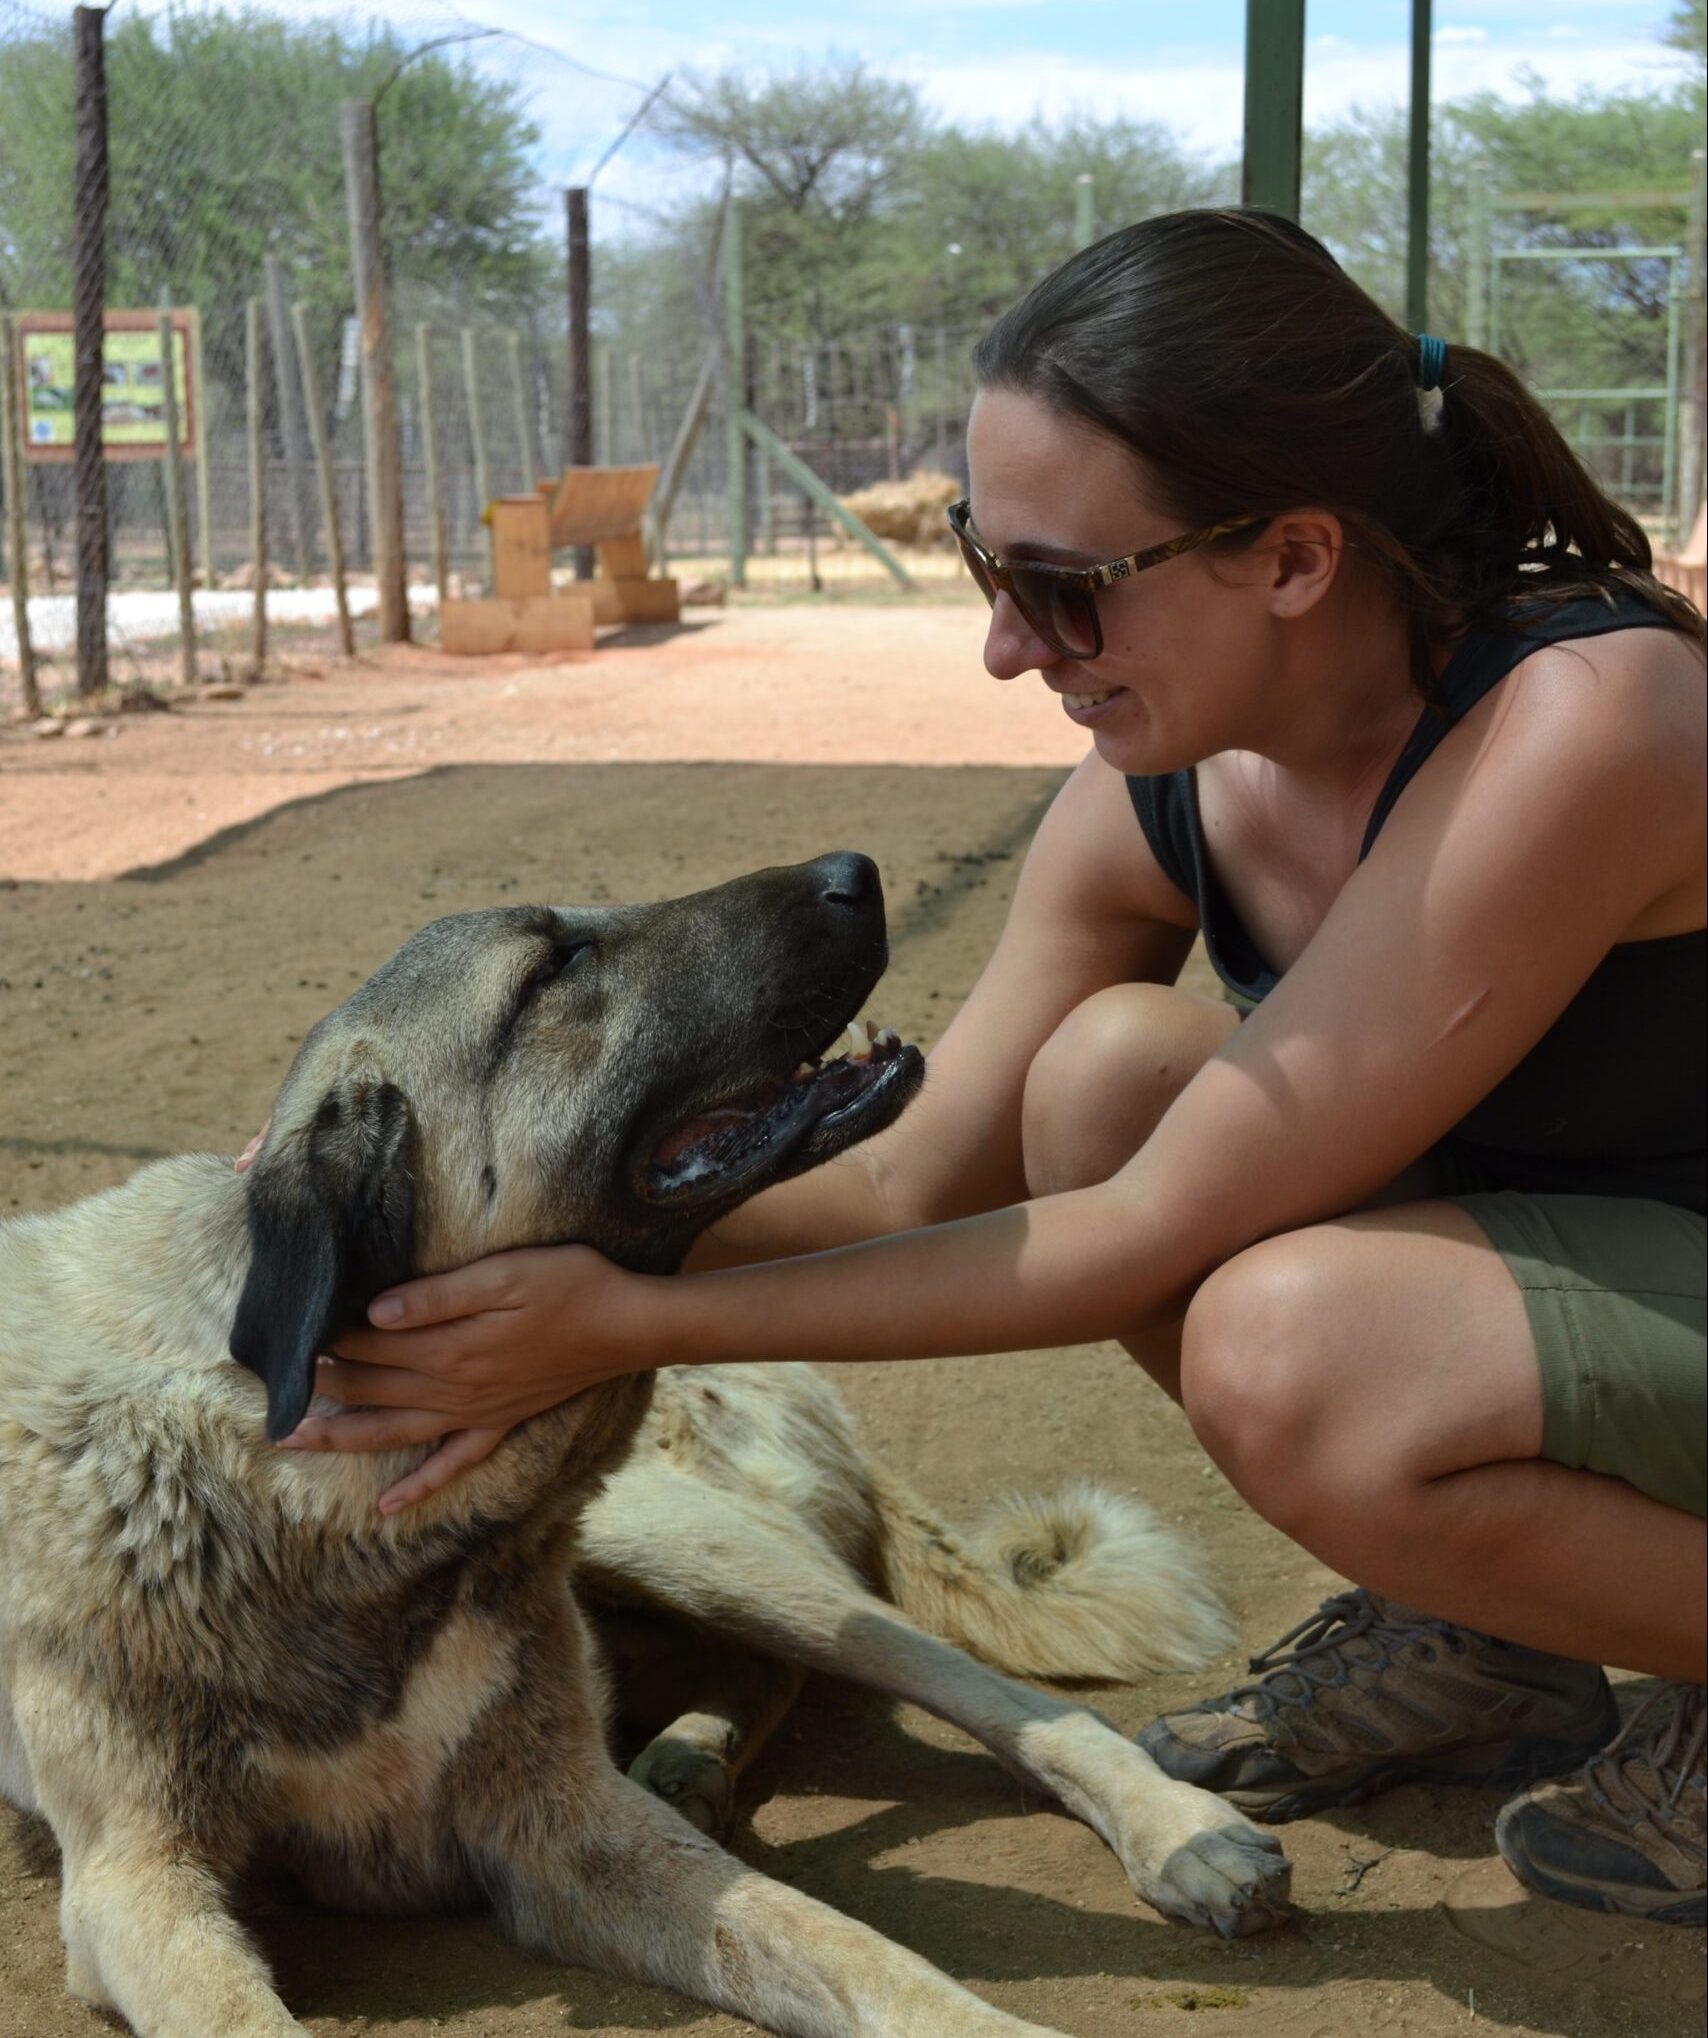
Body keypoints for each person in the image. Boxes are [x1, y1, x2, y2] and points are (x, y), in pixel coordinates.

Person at [261, 211, 1707, 1926]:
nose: (1011, 647)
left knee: (1288, 1348)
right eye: (982, 560)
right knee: (1101, 1078)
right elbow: (920, 1177)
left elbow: (1139, 1234)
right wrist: (449, 1240)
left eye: (1064, 585)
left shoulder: (1582, 724)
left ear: (1297, 558)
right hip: (1613, 1290)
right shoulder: (1168, 785)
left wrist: (634, 1318)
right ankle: (1493, 1636)